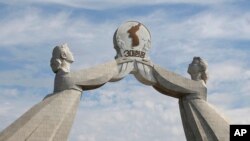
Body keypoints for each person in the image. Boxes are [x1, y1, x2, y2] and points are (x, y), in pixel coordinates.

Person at [152, 57, 229, 141]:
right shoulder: (191, 86)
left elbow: (171, 81)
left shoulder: (199, 86)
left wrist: (152, 68)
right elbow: (165, 86)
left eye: (193, 63)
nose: (189, 64)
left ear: (200, 69)